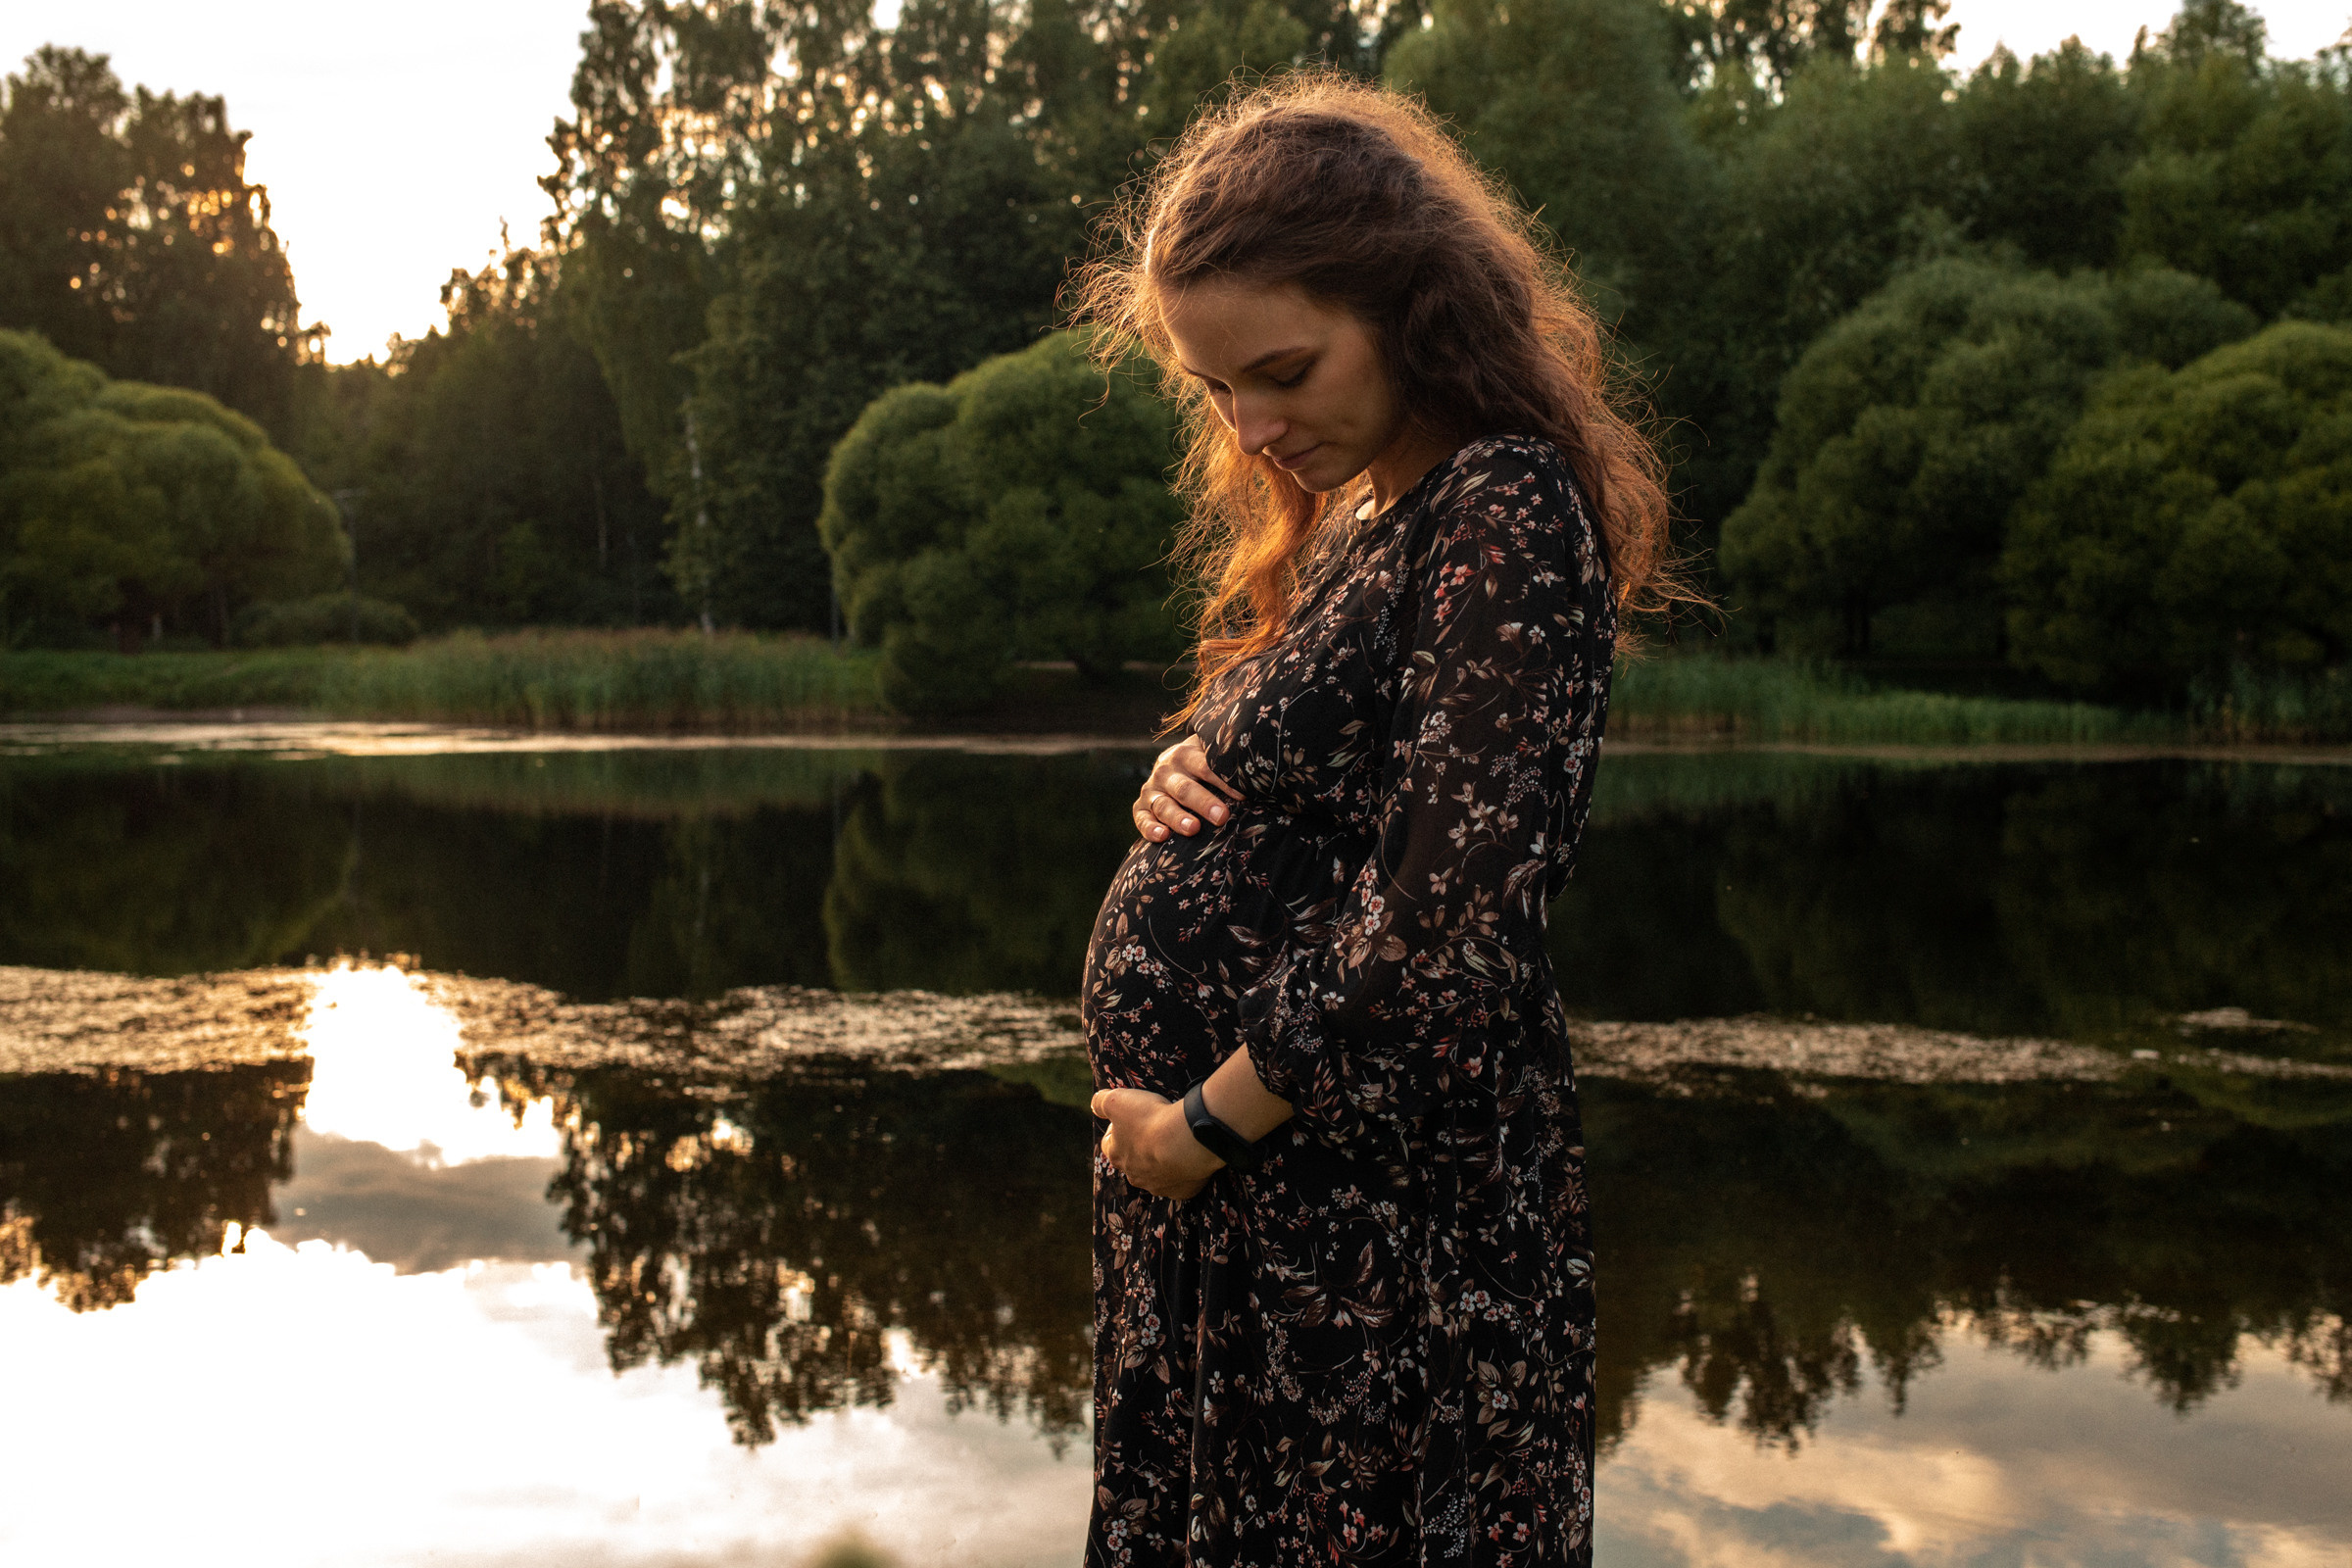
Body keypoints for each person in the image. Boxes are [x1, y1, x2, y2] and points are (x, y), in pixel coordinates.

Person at [1073, 72, 1677, 1567]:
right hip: (1260, 1208)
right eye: (1216, 389)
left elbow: (1453, 899)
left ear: (1412, 307)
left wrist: (1214, 1119)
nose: (1254, 426)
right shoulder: (1367, 524)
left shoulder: (1505, 503)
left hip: (1372, 1219)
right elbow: (1338, 792)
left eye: (1284, 369)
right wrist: (1190, 769)